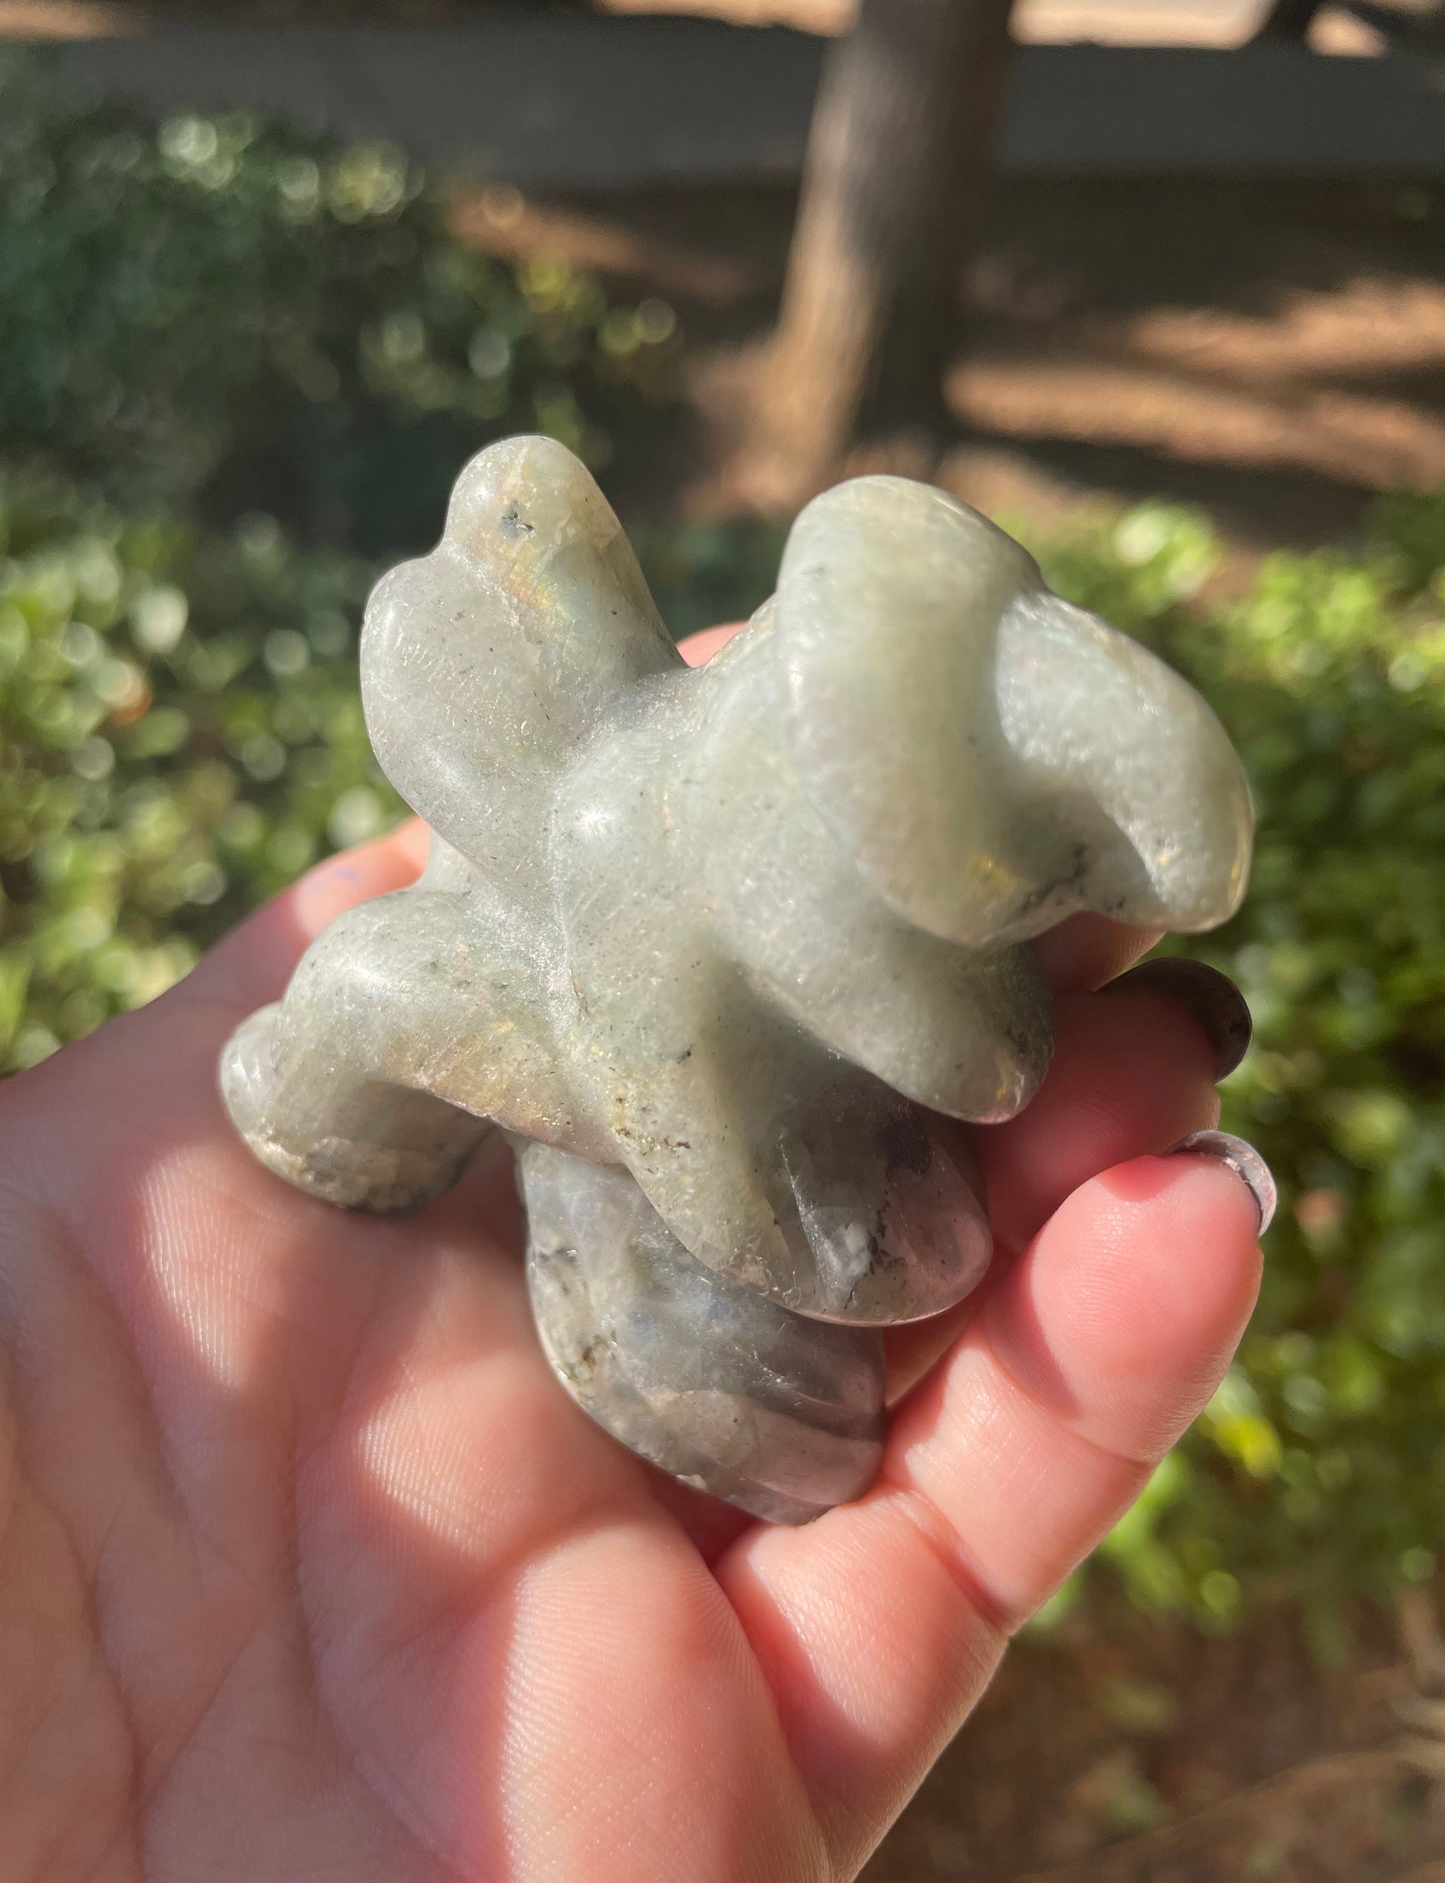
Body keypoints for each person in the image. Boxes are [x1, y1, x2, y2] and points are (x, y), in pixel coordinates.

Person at [0, 625, 1269, 1881]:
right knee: (374, 1009)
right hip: (592, 1075)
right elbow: (828, 1202)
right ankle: (367, 1138)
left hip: (660, 1111)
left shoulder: (804, 920)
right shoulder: (604, 927)